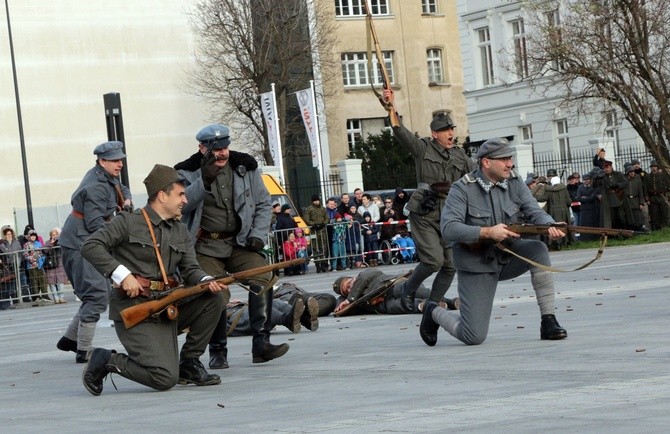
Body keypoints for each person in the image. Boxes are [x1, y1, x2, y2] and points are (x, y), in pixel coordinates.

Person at [79, 164, 227, 396]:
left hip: (166, 306)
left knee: (216, 297)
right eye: (180, 194)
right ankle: (107, 359)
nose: (185, 201)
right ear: (161, 195)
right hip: (136, 310)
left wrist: (207, 279)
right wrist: (122, 274)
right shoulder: (128, 222)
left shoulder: (179, 231)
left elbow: (191, 270)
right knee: (164, 378)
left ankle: (189, 362)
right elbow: (91, 246)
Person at [419, 137, 568, 348]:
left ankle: (548, 320)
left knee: (538, 249)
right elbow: (449, 229)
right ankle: (433, 311)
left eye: (510, 158)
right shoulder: (462, 189)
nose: (510, 164)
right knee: (473, 336)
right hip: (477, 265)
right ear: (486, 162)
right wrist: (488, 232)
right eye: (504, 159)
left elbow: (534, 211)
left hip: (509, 256)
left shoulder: (514, 184)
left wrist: (551, 225)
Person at [175, 124, 288, 370]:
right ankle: (217, 351)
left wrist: (258, 234)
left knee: (263, 277)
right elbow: (183, 206)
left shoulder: (245, 166)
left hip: (239, 241)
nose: (222, 153)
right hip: (205, 245)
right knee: (213, 290)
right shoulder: (187, 171)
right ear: (202, 148)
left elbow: (263, 204)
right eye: (216, 149)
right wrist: (203, 179)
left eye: (225, 147)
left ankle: (262, 345)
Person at [382, 87, 474, 310]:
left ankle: (433, 302)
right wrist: (391, 106)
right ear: (435, 134)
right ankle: (409, 289)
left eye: (451, 128)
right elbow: (401, 132)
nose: (450, 132)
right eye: (445, 130)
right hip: (425, 210)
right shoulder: (423, 148)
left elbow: (475, 178)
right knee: (434, 260)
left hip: (450, 212)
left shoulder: (460, 155)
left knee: (451, 264)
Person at [57, 141, 133, 363]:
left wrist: (126, 200)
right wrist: (119, 235)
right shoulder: (96, 186)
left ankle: (70, 340)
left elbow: (121, 188)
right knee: (97, 295)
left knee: (95, 293)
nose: (120, 164)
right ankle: (84, 349)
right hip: (81, 242)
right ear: (102, 161)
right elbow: (94, 224)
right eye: (115, 160)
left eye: (121, 160)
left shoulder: (105, 176)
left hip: (82, 241)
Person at [332, 269, 460, 315]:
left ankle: (449, 301)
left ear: (352, 278)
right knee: (401, 306)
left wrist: (350, 299)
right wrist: (341, 304)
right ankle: (427, 306)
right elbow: (340, 310)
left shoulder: (363, 275)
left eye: (348, 284)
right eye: (347, 290)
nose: (350, 288)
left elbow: (366, 277)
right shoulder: (350, 299)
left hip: (391, 285)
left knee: (415, 292)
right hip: (385, 305)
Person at [592, 160, 631, 229]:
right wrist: (597, 177)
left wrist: (617, 185)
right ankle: (613, 235)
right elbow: (595, 185)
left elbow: (625, 183)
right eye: (605, 168)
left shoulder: (618, 174)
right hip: (608, 200)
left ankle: (624, 233)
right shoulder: (603, 177)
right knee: (611, 219)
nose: (606, 169)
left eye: (607, 167)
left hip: (619, 199)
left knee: (621, 217)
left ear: (611, 167)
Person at [544, 175, 572, 250]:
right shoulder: (564, 189)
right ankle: (566, 241)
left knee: (555, 227)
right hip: (564, 210)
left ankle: (555, 243)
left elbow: (545, 199)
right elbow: (569, 201)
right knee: (564, 226)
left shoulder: (549, 190)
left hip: (553, 211)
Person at [303, 195, 329, 273]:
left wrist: (323, 224)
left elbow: (327, 218)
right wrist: (313, 224)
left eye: (318, 200)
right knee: (315, 248)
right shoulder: (309, 209)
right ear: (312, 201)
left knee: (324, 248)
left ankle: (324, 264)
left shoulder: (323, 209)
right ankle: (317, 264)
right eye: (315, 201)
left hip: (322, 231)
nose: (317, 202)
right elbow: (306, 219)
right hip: (314, 231)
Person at [645, 160, 670, 230]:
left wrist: (663, 190)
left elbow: (667, 186)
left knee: (664, 212)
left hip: (661, 196)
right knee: (654, 214)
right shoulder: (648, 177)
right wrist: (647, 199)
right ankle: (656, 228)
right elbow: (646, 188)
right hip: (653, 197)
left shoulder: (662, 176)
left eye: (655, 166)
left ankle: (665, 227)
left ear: (657, 167)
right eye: (652, 167)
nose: (653, 168)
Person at [577, 172, 601, 241]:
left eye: (587, 179)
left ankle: (595, 238)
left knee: (593, 223)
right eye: (584, 179)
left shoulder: (594, 187)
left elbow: (593, 197)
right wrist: (587, 198)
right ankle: (585, 239)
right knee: (585, 224)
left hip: (593, 208)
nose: (586, 181)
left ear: (590, 179)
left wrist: (585, 198)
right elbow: (578, 198)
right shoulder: (580, 187)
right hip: (584, 209)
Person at [624, 165, 647, 231]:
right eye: (630, 172)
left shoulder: (638, 179)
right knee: (629, 217)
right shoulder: (625, 179)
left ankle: (639, 229)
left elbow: (640, 192)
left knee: (638, 216)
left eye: (633, 171)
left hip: (636, 200)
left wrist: (641, 203)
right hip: (628, 201)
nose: (632, 173)